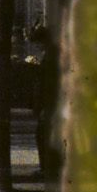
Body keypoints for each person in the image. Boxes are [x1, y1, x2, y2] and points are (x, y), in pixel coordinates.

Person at [28, 24, 61, 180]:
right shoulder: (53, 54)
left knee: (43, 134)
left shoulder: (51, 56)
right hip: (51, 102)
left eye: (37, 43)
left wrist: (34, 68)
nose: (36, 47)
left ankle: (48, 167)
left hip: (49, 103)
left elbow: (46, 81)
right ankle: (50, 167)